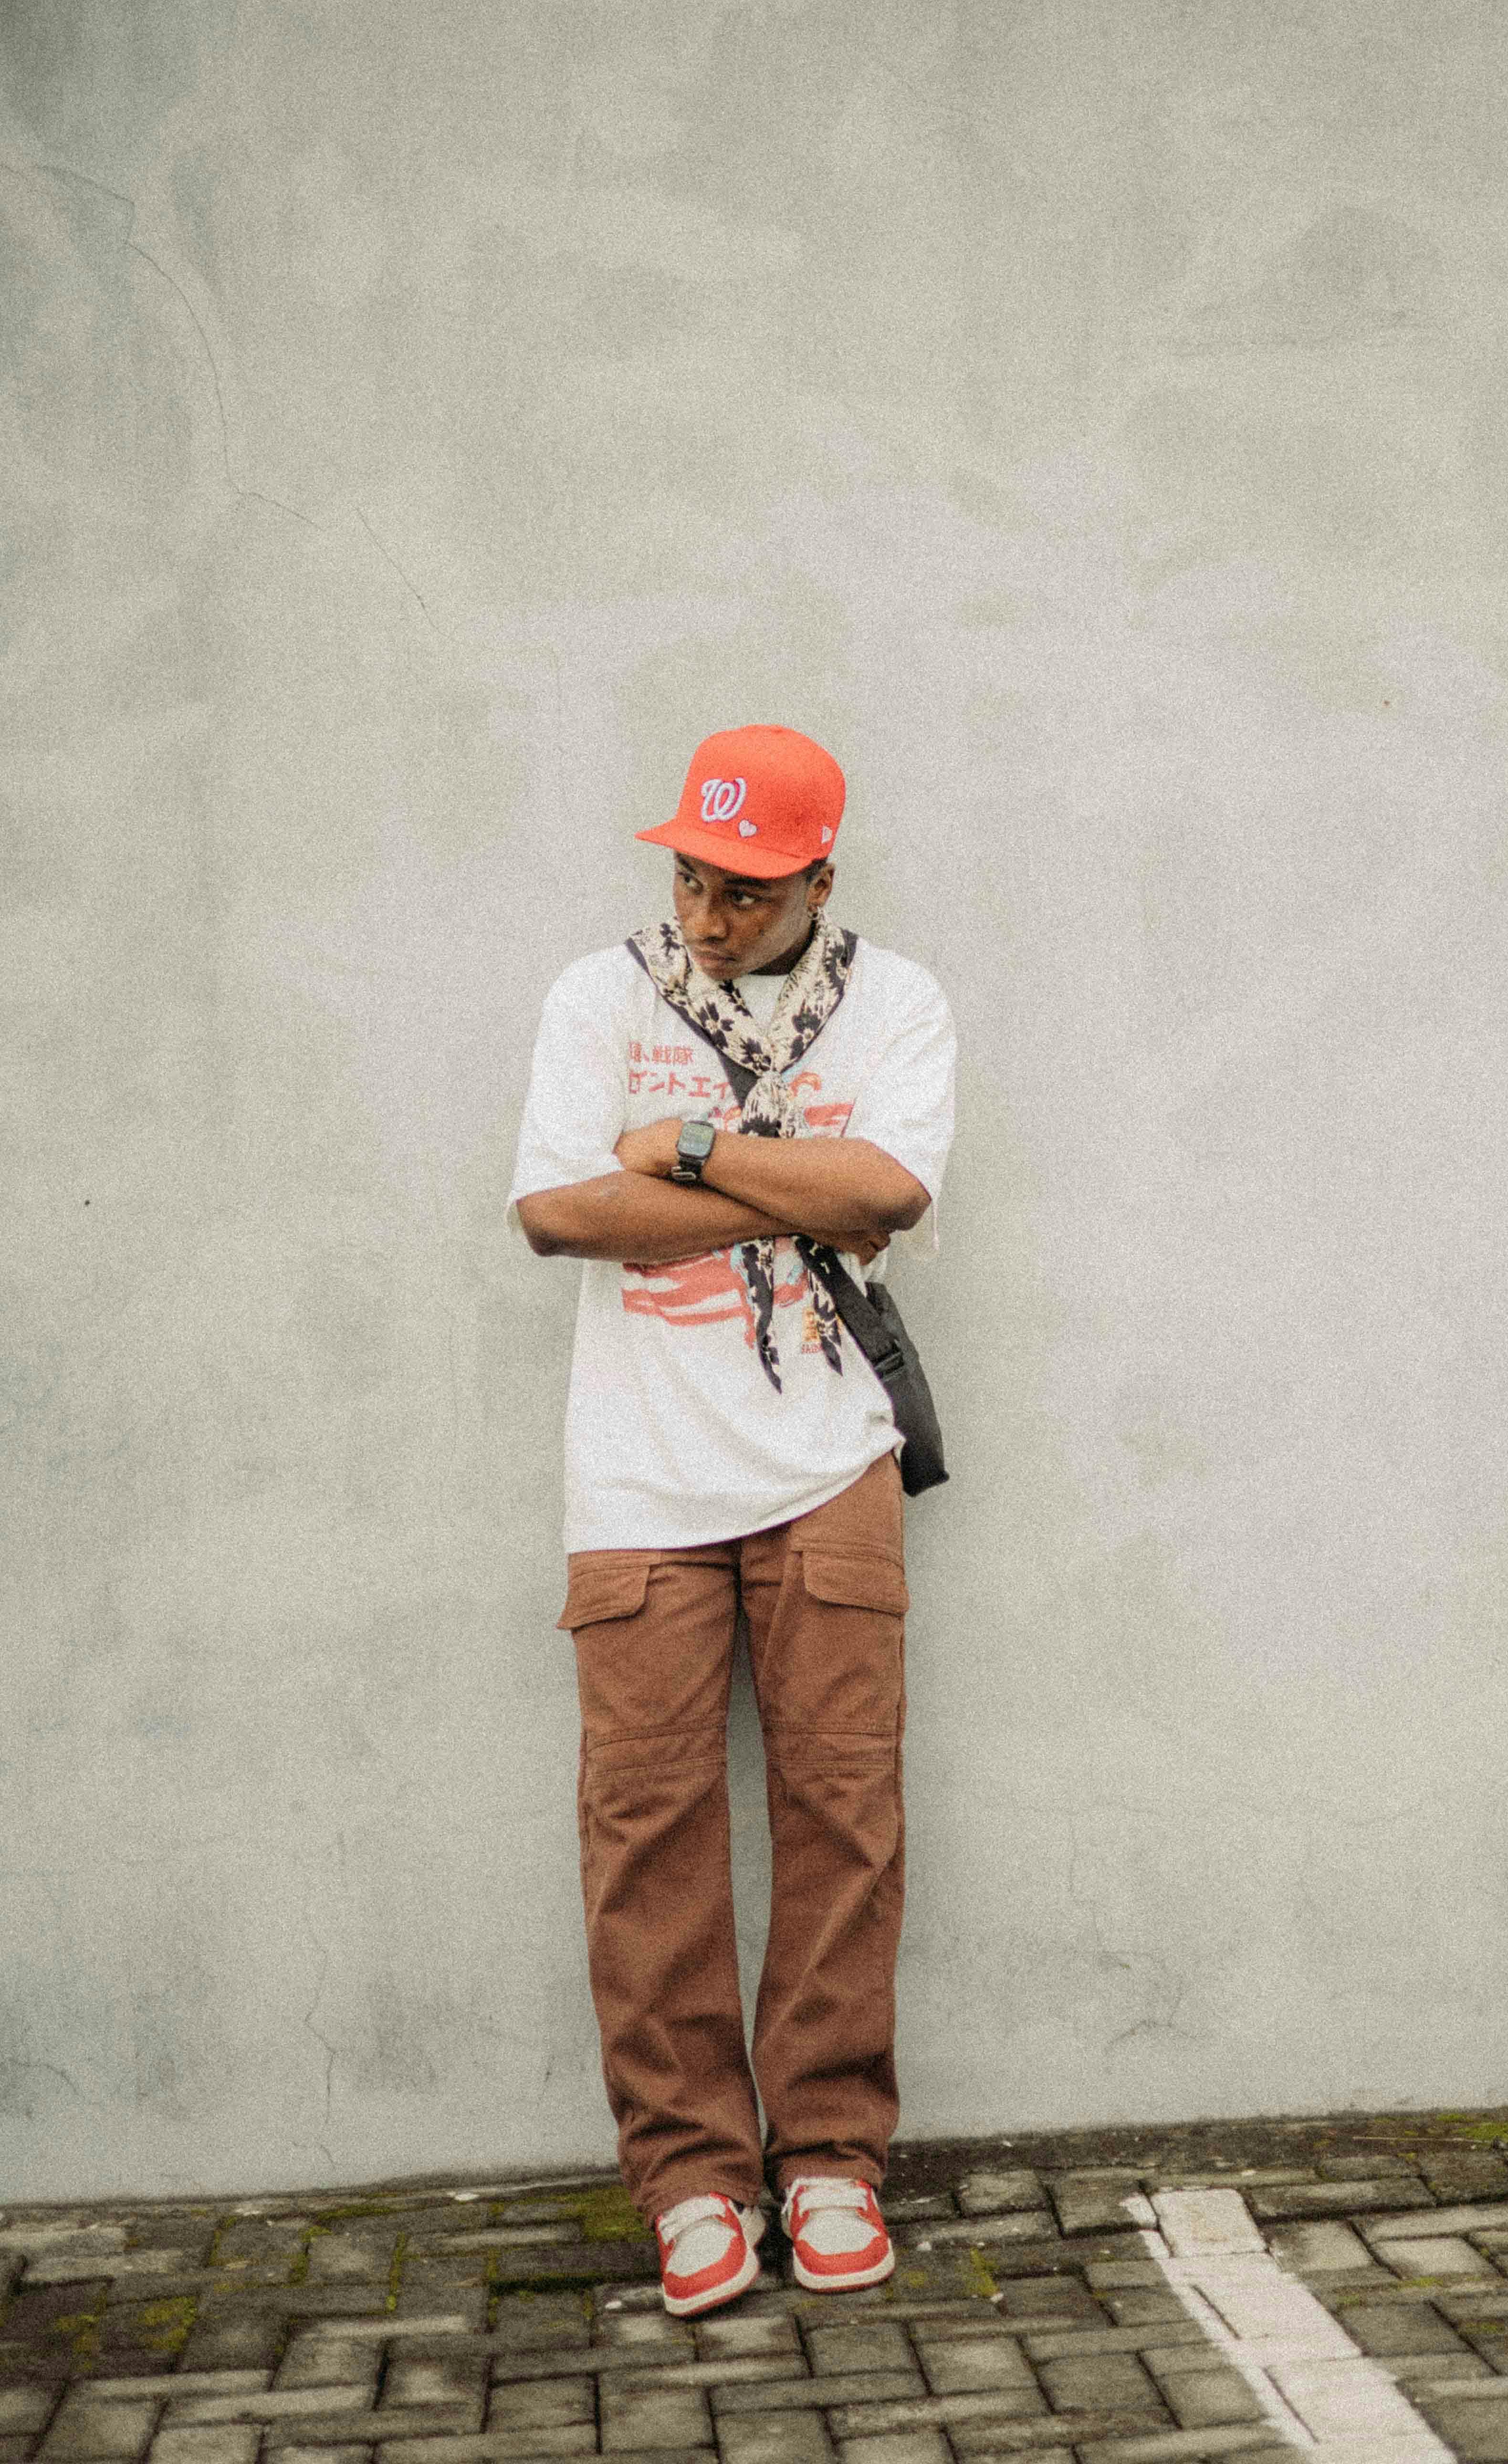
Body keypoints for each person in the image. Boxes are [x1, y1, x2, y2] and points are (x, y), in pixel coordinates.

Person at [508, 723, 956, 2318]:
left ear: (818, 881)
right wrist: (795, 1177)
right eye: (692, 878)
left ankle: (830, 2155)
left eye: (748, 893)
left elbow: (890, 1193)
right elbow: (562, 1210)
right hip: (634, 1478)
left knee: (844, 1813)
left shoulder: (897, 1002)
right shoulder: (599, 995)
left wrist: (690, 1149)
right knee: (649, 1833)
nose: (707, 915)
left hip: (827, 1458)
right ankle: (691, 2178)